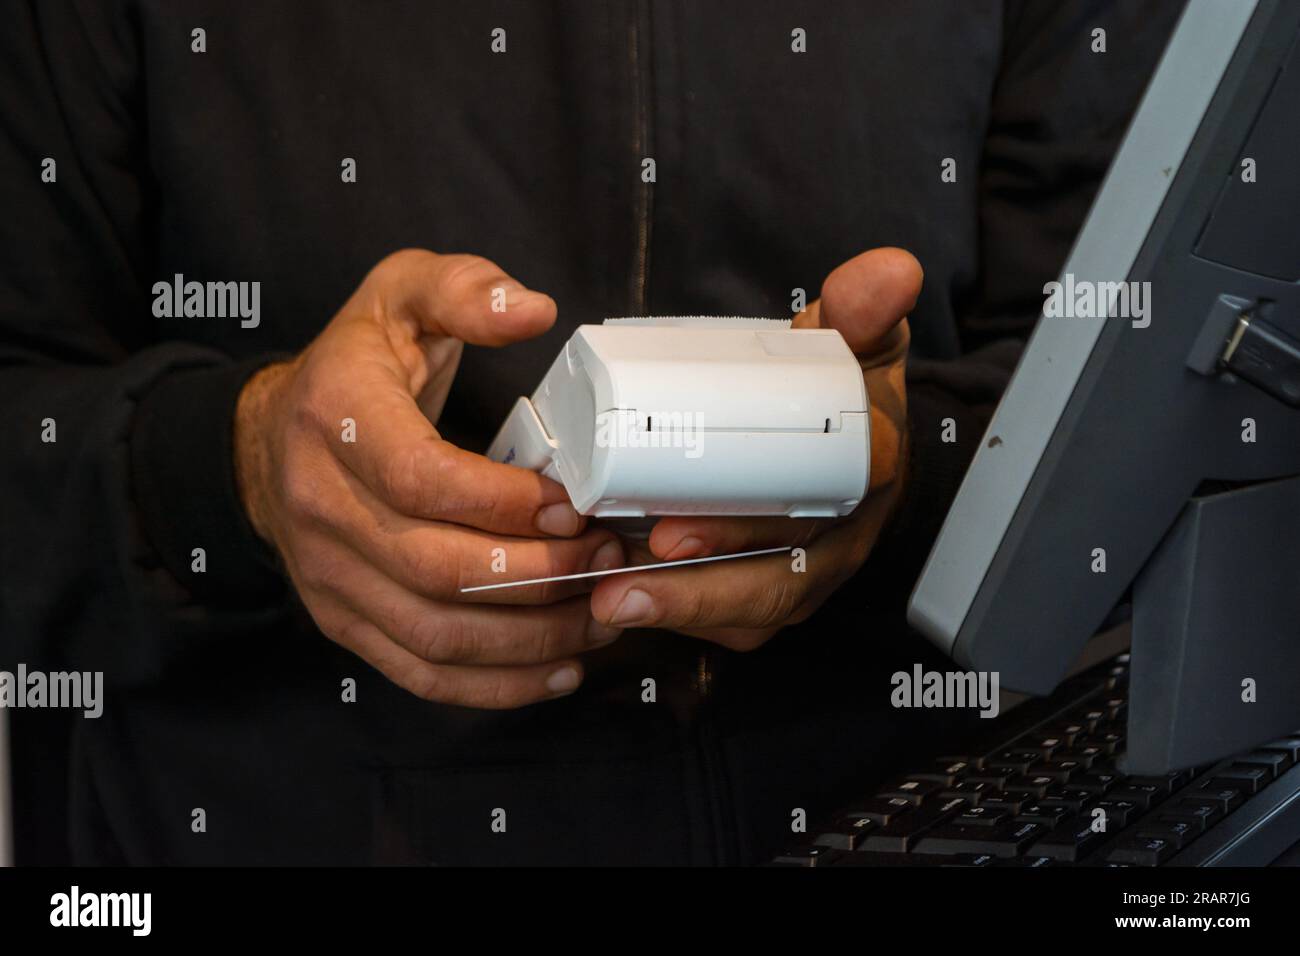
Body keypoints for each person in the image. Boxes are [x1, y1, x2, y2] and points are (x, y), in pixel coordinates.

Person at [0, 1, 1185, 864]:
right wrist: (239, 465)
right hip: (269, 819)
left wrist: (901, 469)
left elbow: (1147, 367)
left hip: (902, 805)